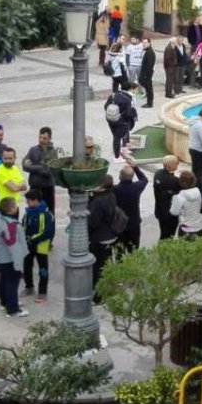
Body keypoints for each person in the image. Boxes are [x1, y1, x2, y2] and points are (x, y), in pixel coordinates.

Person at [0, 197, 29, 318]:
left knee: (4, 280)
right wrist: (18, 264)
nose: (17, 207)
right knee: (12, 283)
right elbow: (14, 246)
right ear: (11, 209)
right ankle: (13, 309)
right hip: (11, 259)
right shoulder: (12, 225)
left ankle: (4, 302)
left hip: (1, 257)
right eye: (15, 205)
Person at [87, 175, 119, 305]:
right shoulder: (110, 195)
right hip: (110, 235)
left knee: (98, 268)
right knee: (105, 265)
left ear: (101, 187)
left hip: (100, 238)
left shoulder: (98, 202)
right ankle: (106, 291)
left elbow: (93, 222)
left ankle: (98, 296)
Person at [21, 190, 54, 303]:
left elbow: (47, 232)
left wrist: (32, 239)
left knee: (43, 269)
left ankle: (42, 292)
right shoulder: (28, 212)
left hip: (41, 246)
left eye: (28, 200)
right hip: (28, 245)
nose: (27, 202)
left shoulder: (46, 214)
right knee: (26, 266)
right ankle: (29, 287)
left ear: (35, 200)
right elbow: (24, 224)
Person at [22, 127, 57, 213]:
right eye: (40, 137)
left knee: (49, 212)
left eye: (44, 138)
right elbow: (24, 166)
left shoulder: (53, 152)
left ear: (50, 138)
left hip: (47, 188)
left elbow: (49, 172)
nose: (41, 140)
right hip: (34, 188)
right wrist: (41, 167)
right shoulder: (33, 150)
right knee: (33, 212)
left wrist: (32, 167)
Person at [105, 82, 138, 160]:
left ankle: (124, 147)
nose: (136, 91)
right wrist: (132, 117)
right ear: (131, 89)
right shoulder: (128, 99)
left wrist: (113, 113)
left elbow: (106, 106)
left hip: (111, 119)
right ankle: (117, 157)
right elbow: (128, 113)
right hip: (121, 121)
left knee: (116, 136)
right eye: (136, 89)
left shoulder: (113, 95)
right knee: (117, 138)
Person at [153, 155, 181, 239]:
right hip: (170, 213)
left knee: (163, 233)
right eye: (176, 163)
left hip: (159, 210)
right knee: (169, 235)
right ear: (170, 165)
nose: (178, 164)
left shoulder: (158, 173)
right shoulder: (174, 180)